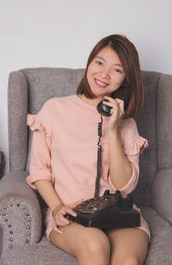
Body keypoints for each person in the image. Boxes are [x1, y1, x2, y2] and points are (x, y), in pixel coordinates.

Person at [27, 34, 150, 265]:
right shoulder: (54, 109)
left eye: (117, 70)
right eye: (100, 62)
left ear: (125, 80)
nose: (104, 74)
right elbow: (39, 170)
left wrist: (113, 129)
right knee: (95, 245)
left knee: (129, 261)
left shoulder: (126, 123)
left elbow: (124, 186)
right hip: (70, 212)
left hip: (118, 212)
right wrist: (56, 207)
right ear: (90, 62)